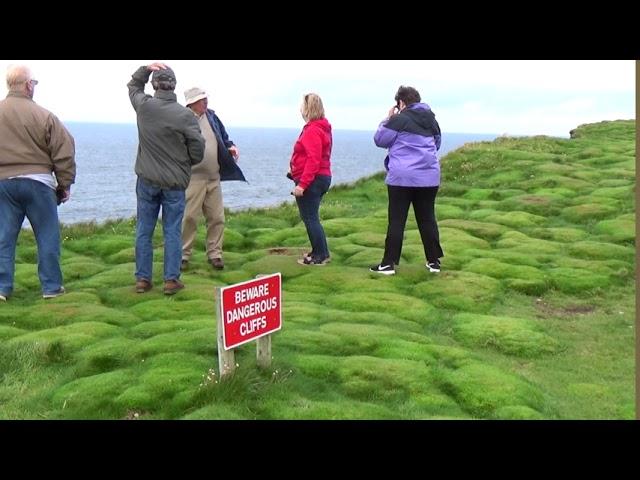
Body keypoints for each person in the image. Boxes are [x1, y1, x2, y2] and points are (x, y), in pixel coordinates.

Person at [127, 63, 205, 295]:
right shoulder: (185, 115)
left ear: (154, 85)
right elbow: (198, 147)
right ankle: (171, 280)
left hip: (147, 179)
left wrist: (146, 68)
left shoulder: (144, 106)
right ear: (174, 87)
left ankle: (143, 279)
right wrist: (186, 163)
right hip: (174, 183)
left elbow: (133, 85)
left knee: (144, 229)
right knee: (172, 230)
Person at [0, 65, 76, 301]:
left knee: (4, 237)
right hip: (39, 183)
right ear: (28, 85)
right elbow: (64, 150)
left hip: (4, 183)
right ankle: (51, 287)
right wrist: (64, 185)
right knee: (47, 236)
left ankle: (2, 287)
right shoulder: (45, 116)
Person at [369, 85, 444, 276]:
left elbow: (380, 139)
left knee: (397, 220)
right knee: (427, 219)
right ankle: (434, 262)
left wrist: (388, 118)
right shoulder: (431, 120)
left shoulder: (399, 119)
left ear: (401, 103)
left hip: (402, 178)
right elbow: (437, 143)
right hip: (429, 177)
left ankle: (388, 264)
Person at [180, 87, 246, 271]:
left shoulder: (212, 117)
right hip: (192, 179)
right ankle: (183, 255)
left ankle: (215, 254)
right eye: (202, 99)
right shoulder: (182, 119)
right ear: (191, 102)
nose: (205, 102)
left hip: (213, 177)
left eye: (205, 98)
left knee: (217, 217)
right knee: (189, 218)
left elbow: (224, 138)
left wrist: (231, 146)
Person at [289, 93, 332, 266]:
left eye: (302, 105)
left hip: (313, 180)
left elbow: (313, 159)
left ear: (308, 108)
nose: (300, 109)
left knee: (310, 218)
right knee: (311, 217)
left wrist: (302, 185)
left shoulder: (313, 129)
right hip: (321, 177)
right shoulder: (322, 128)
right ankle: (318, 251)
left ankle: (320, 255)